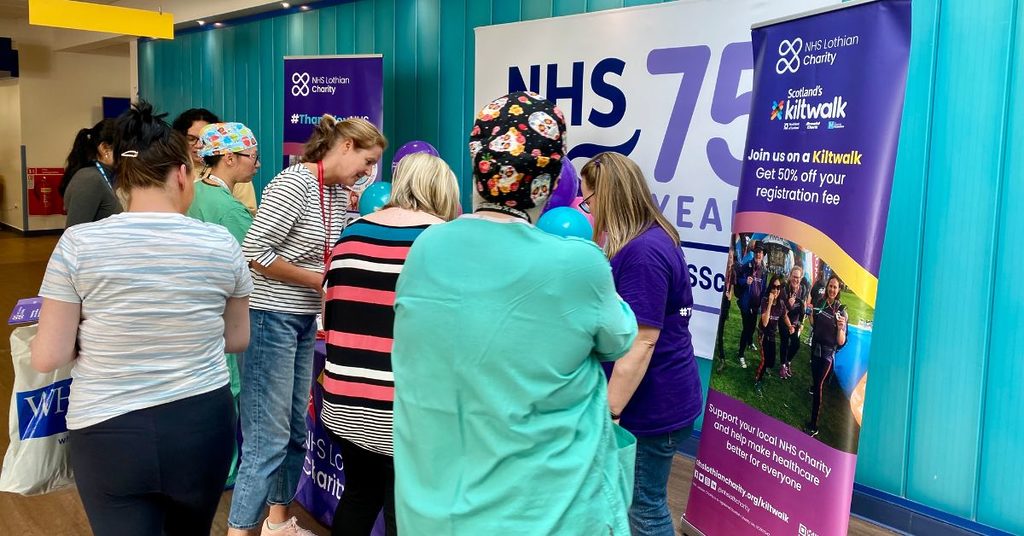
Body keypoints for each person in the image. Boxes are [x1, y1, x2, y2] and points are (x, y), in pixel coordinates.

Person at [391, 92, 638, 534]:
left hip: (433, 507)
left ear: (477, 167)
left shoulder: (427, 248)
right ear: (548, 178)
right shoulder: (577, 264)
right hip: (545, 512)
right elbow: (619, 337)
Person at [31, 101, 252, 536]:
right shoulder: (221, 242)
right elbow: (237, 338)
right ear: (184, 173)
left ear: (121, 181)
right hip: (200, 423)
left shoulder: (78, 244)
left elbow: (48, 355)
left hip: (107, 429)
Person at [229, 115, 386, 536]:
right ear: (347, 145)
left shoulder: (337, 193)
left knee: (297, 431)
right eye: (367, 161)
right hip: (269, 318)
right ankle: (240, 528)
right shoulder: (292, 184)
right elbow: (254, 251)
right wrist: (319, 280)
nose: (368, 173)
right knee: (267, 442)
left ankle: (277, 523)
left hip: (302, 320)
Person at [322, 152, 460, 536]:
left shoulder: (351, 233)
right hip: (405, 407)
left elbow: (329, 310)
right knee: (407, 509)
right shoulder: (441, 240)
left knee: (359, 495)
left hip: (345, 399)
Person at [579, 151, 703, 536]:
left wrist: (611, 412)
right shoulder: (644, 240)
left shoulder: (644, 252)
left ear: (609, 196)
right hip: (655, 400)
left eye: (589, 200)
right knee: (635, 503)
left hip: (652, 408)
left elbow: (642, 342)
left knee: (644, 508)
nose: (587, 210)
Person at [187, 121, 261, 487]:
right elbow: (257, 260)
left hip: (192, 311)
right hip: (221, 312)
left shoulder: (193, 193)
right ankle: (226, 471)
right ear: (229, 158)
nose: (257, 165)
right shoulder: (228, 210)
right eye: (253, 157)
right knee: (229, 390)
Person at [172, 108, 258, 214]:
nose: (199, 145)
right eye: (191, 139)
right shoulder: (171, 170)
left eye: (205, 140)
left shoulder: (234, 171)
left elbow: (247, 212)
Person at [806, 274, 848, 437]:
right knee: (815, 381)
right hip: (815, 349)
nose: (832, 289)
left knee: (818, 387)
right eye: (830, 286)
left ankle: (813, 425)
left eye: (835, 287)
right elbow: (814, 324)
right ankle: (813, 410)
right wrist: (809, 313)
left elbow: (841, 341)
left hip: (827, 355)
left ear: (838, 290)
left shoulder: (841, 310)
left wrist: (840, 328)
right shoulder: (820, 303)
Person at [60, 119, 122, 227]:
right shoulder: (90, 179)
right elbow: (75, 235)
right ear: (105, 149)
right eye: (126, 149)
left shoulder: (102, 177)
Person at [754, 275, 788, 395]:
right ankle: (758, 381)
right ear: (770, 287)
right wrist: (769, 304)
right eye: (773, 287)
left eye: (778, 287)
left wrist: (790, 326)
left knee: (772, 361)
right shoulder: (764, 301)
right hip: (763, 333)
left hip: (772, 335)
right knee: (765, 359)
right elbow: (765, 322)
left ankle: (765, 367)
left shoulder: (781, 303)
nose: (776, 290)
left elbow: (784, 315)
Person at [733, 244, 767, 368]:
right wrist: (745, 281)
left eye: (761, 252)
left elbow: (763, 288)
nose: (759, 254)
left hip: (756, 305)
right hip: (746, 304)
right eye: (757, 252)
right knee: (746, 328)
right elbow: (737, 280)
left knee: (752, 327)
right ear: (754, 253)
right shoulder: (747, 266)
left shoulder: (764, 270)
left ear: (763, 255)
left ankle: (750, 341)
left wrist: (761, 304)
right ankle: (741, 354)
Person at [778, 265, 808, 379]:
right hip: (784, 319)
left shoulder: (803, 290)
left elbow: (802, 309)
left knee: (796, 344)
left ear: (801, 279)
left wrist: (800, 323)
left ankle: (787, 362)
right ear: (790, 276)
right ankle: (782, 366)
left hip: (795, 321)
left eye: (798, 278)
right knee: (784, 343)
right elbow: (781, 310)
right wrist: (788, 305)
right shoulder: (784, 289)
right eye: (794, 277)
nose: (796, 280)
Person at [716, 245, 736, 371]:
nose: (730, 260)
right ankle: (720, 355)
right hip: (718, 302)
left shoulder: (732, 272)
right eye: (728, 257)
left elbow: (732, 287)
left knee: (721, 330)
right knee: (717, 329)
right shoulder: (720, 269)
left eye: (731, 257)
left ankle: (721, 357)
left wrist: (730, 296)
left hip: (725, 304)